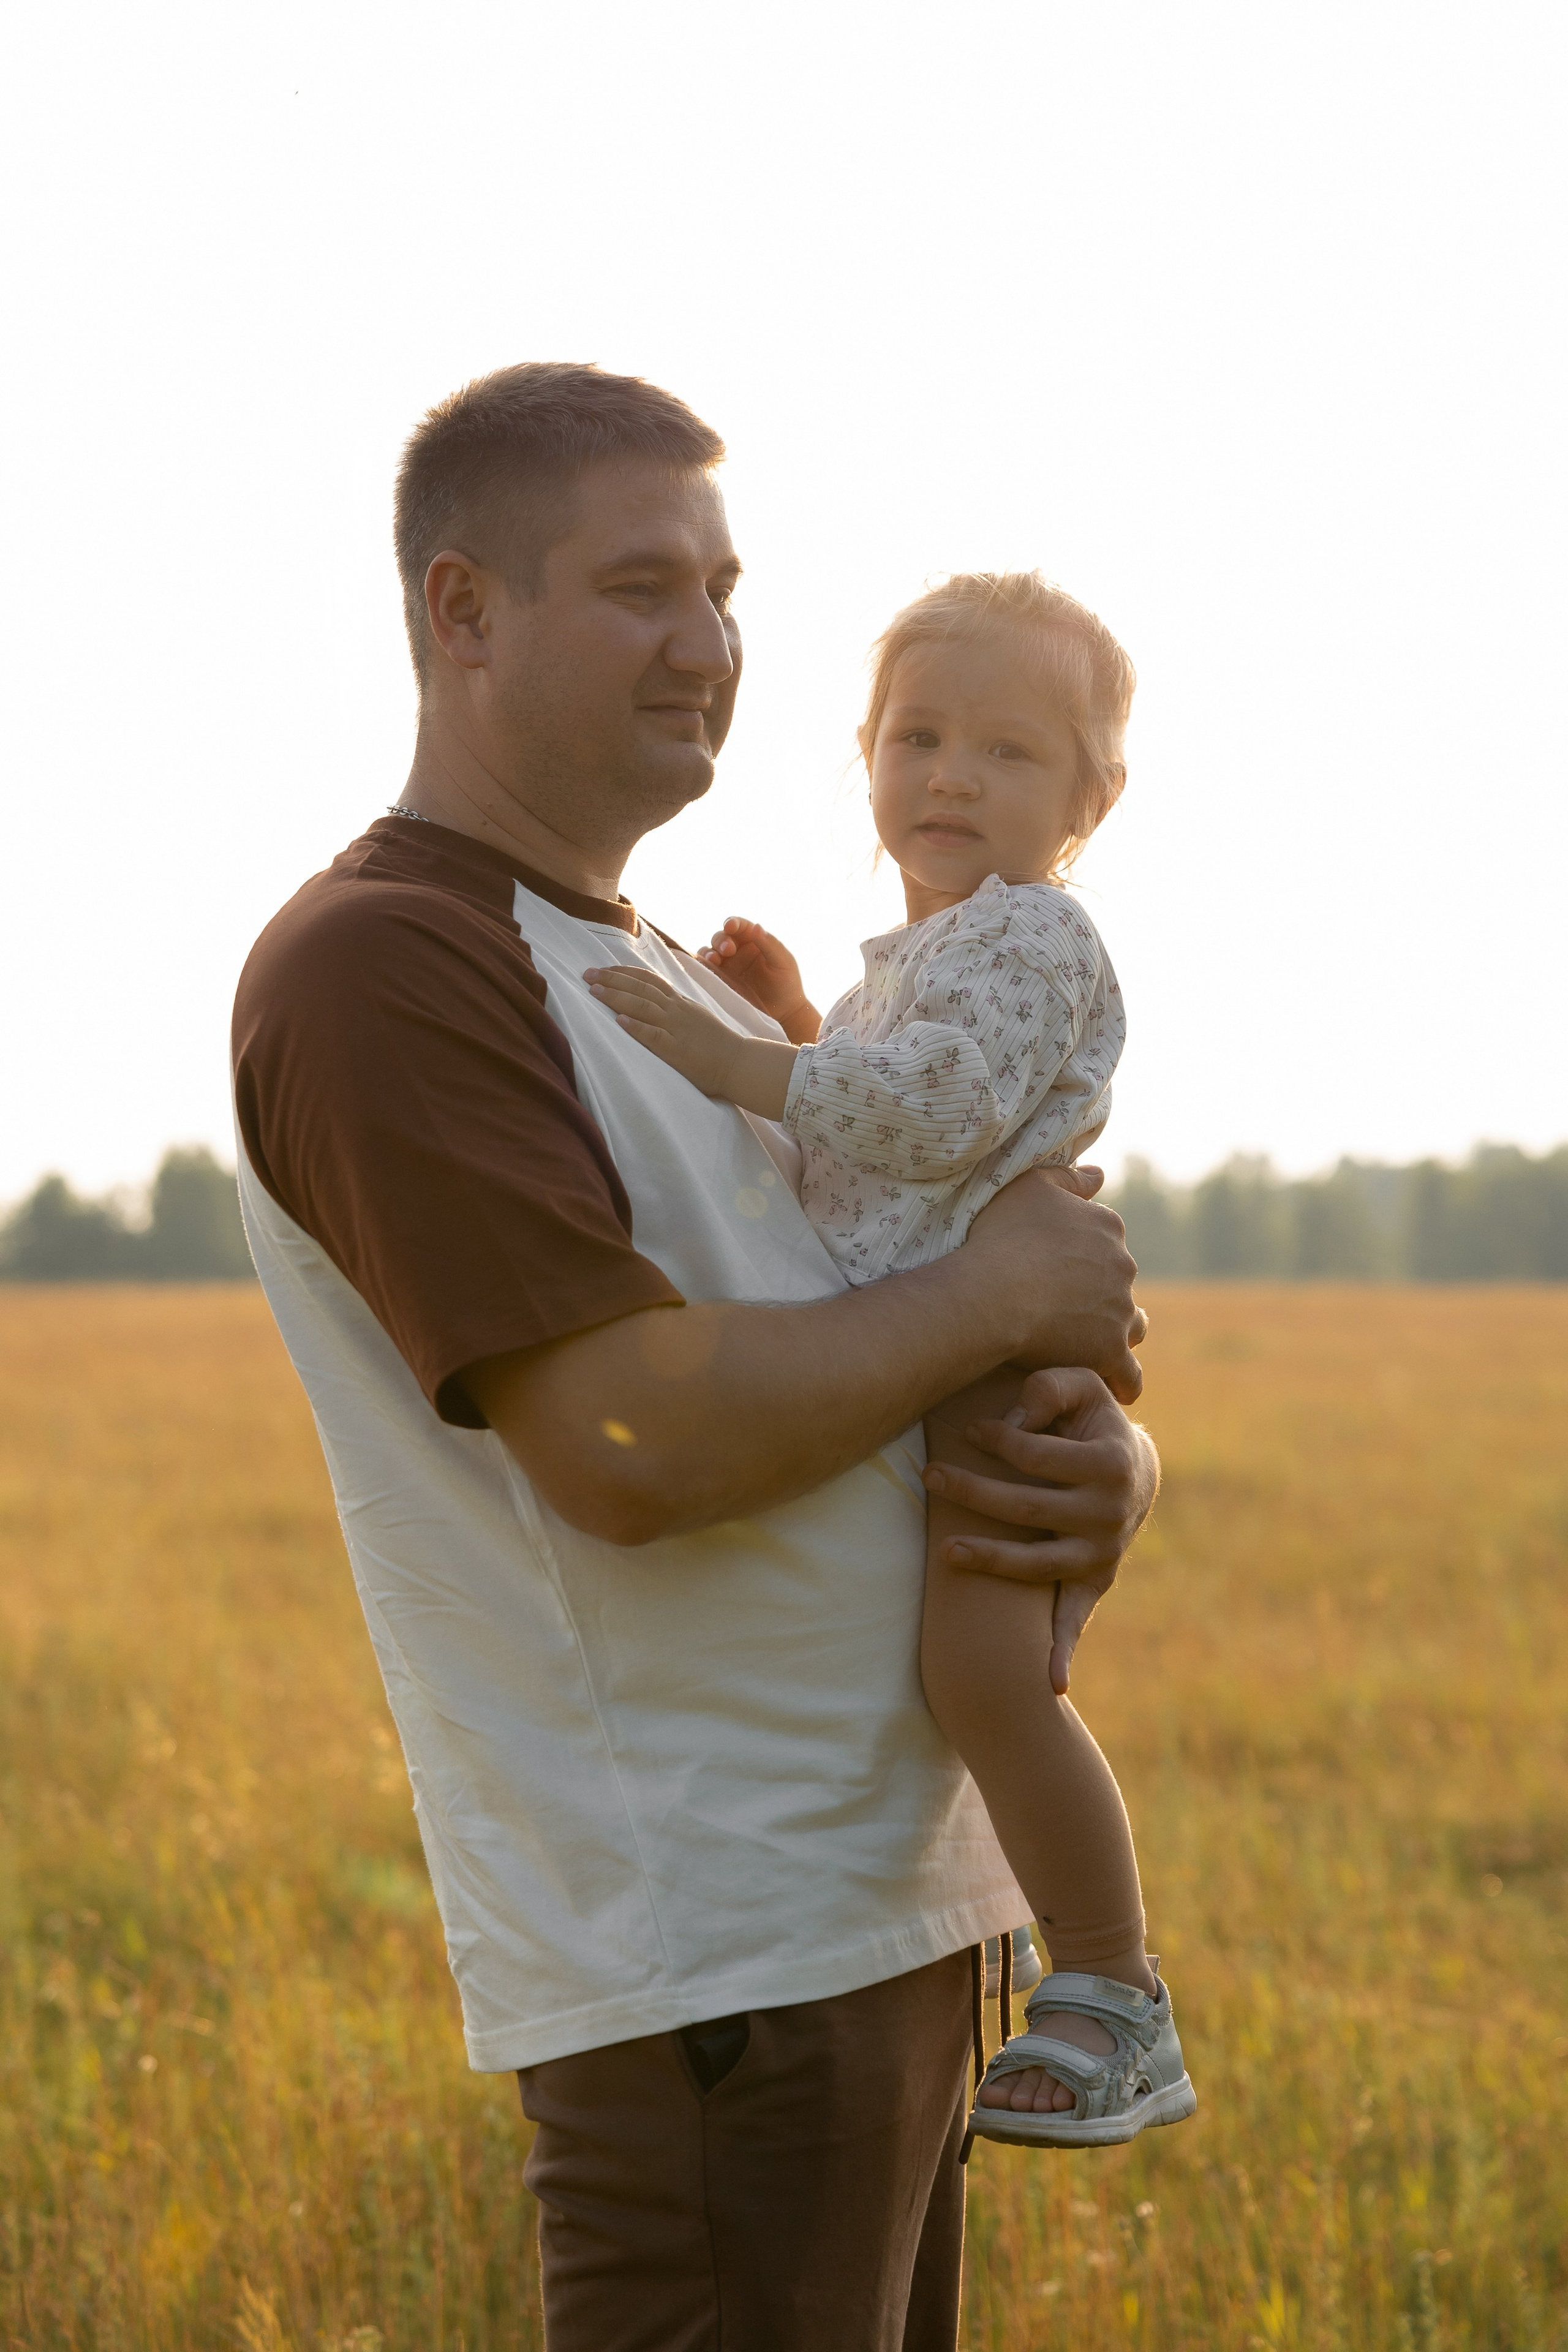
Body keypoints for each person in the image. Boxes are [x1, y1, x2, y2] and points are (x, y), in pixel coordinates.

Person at [230, 361, 1159, 2350]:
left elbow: (871, 1312)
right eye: (645, 588)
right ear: (461, 611)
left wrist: (1097, 1460)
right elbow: (631, 1442)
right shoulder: (389, 965)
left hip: (888, 1928)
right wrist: (1006, 1302)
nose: (711, 646)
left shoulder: (651, 967)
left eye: (729, 591)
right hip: (713, 1976)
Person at [586, 570, 1196, 2151]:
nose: (950, 776)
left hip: (982, 1382)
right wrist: (804, 1020)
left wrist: (753, 1060)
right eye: (918, 737)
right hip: (942, 1353)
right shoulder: (914, 963)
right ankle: (1088, 1977)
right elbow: (871, 1154)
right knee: (974, 1674)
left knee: (985, 1677)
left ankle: (1121, 1993)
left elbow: (928, 1113)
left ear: (1092, 798)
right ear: (864, 753)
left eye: (1006, 752)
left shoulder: (1027, 938)